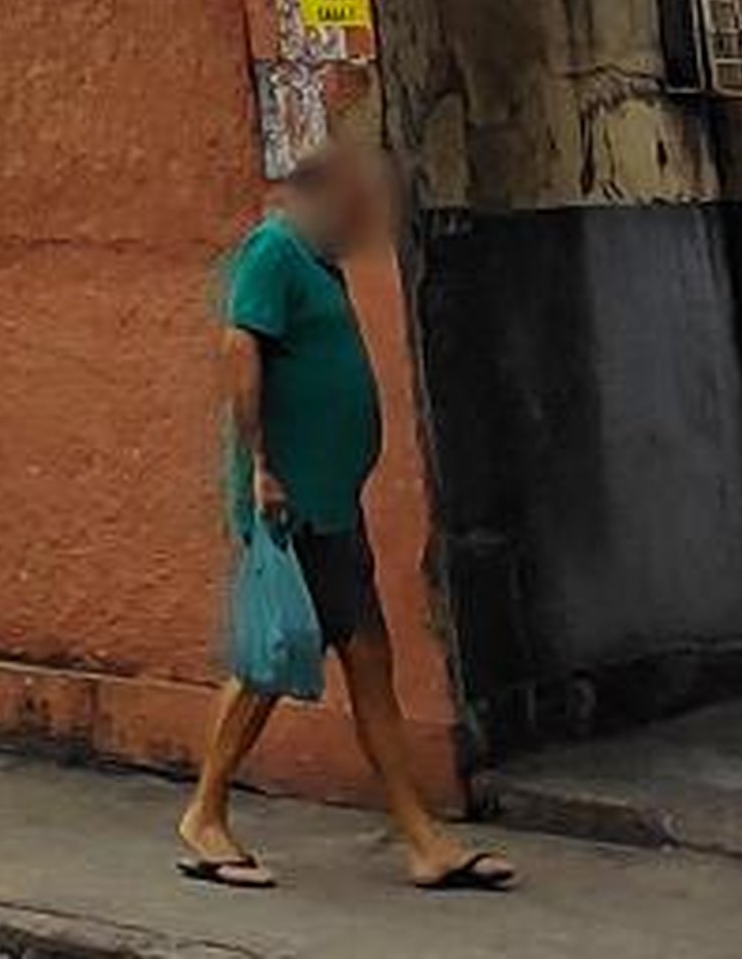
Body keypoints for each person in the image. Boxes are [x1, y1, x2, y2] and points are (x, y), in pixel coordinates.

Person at [178, 114, 507, 896]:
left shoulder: (319, 265)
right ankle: (204, 816)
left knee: (365, 661)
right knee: (270, 662)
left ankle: (423, 840)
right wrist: (261, 468)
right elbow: (239, 348)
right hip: (292, 506)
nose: (367, 223)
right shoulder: (275, 251)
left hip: (330, 503)